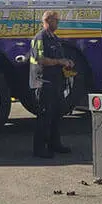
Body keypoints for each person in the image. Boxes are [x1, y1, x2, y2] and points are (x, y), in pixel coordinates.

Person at [29, 10, 75, 158]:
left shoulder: (54, 38)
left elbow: (58, 58)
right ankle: (39, 149)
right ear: (48, 20)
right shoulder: (40, 38)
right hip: (43, 82)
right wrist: (59, 62)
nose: (58, 22)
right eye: (56, 20)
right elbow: (41, 60)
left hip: (56, 82)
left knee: (56, 114)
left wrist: (67, 62)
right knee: (44, 116)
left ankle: (55, 144)